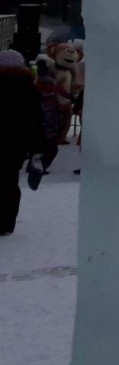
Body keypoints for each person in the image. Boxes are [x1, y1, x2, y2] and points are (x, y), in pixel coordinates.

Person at [1, 50, 43, 235]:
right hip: (15, 145)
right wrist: (35, 147)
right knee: (9, 182)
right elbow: (35, 121)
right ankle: (6, 222)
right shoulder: (30, 89)